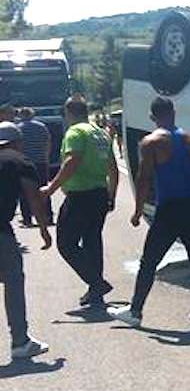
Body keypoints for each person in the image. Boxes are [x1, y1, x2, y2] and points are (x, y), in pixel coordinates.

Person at [108, 97, 190, 327]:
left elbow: (144, 178)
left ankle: (135, 312)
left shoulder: (151, 142)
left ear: (153, 117)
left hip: (169, 208)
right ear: (174, 112)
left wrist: (137, 210)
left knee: (150, 261)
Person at [40, 96, 118, 307]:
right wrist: (112, 195)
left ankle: (96, 282)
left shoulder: (75, 132)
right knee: (93, 241)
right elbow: (113, 167)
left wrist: (51, 188)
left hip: (80, 196)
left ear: (68, 113)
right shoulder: (100, 133)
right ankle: (95, 290)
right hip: (100, 194)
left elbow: (72, 161)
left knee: (66, 243)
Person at [0, 121, 53, 359]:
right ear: (18, 142)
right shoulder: (19, 162)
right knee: (13, 280)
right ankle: (20, 341)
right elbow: (33, 199)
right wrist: (43, 228)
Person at [16, 108, 53, 227]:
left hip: (25, 163)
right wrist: (46, 160)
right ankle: (48, 216)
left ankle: (27, 219)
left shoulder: (18, 128)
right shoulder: (42, 127)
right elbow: (48, 143)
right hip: (41, 162)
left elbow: (18, 146)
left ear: (21, 115)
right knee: (43, 189)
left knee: (25, 191)